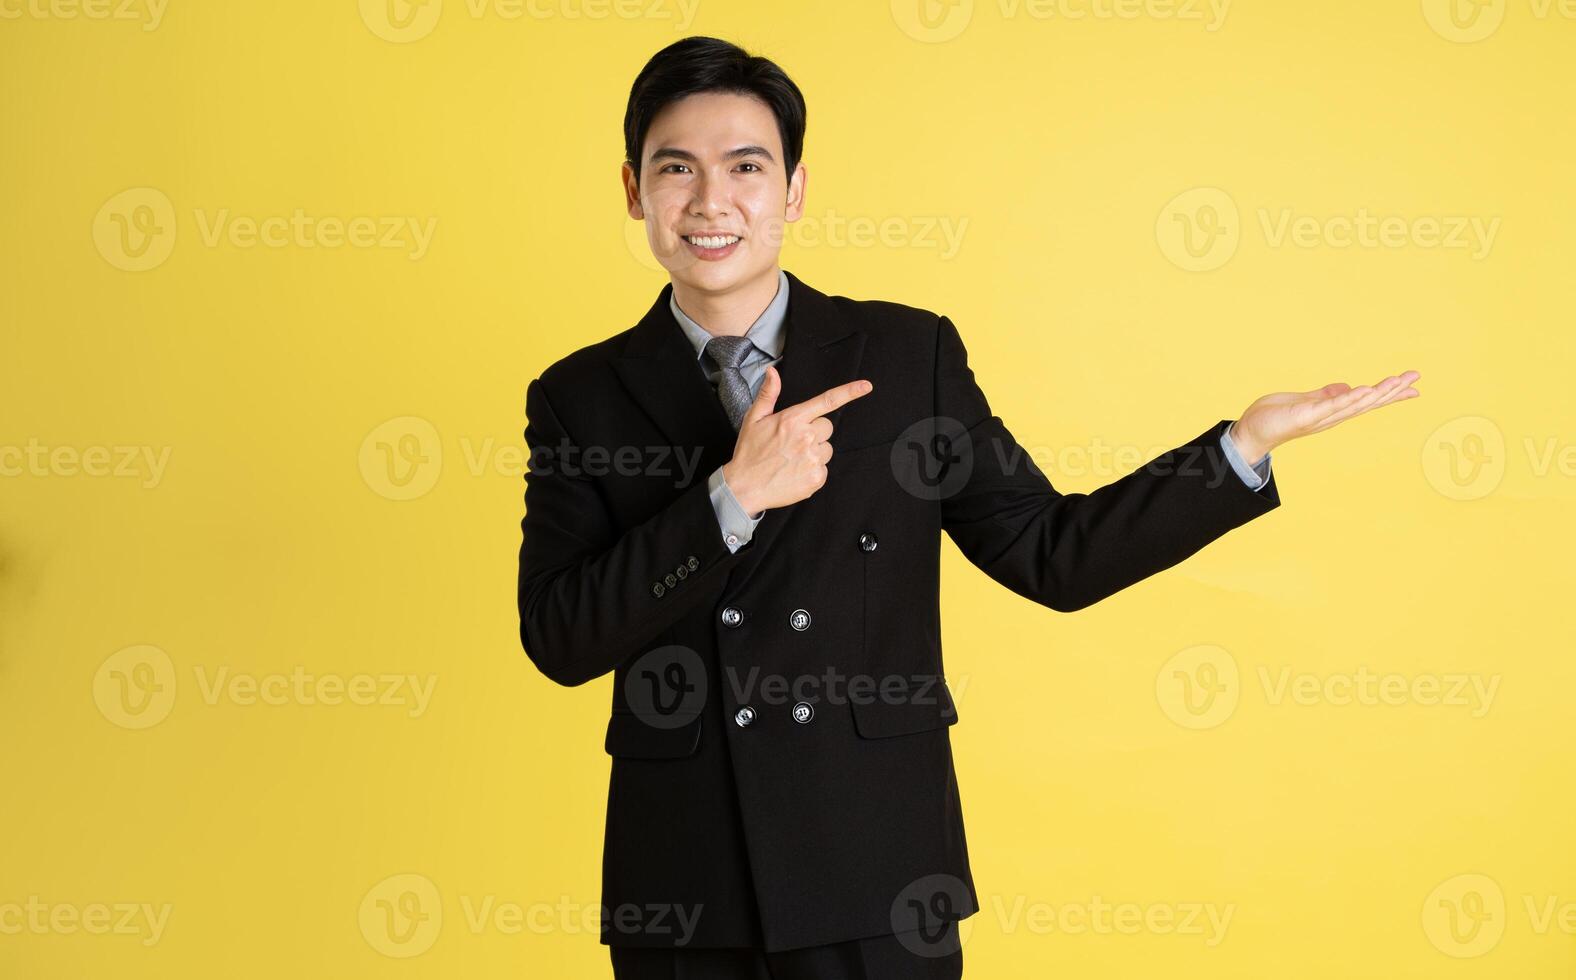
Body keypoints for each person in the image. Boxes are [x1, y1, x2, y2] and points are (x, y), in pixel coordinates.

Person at [517, 35, 1420, 980]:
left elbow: (1050, 553)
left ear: (792, 191)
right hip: (688, 885)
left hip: (880, 870)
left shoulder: (908, 356)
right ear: (635, 192)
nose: (711, 202)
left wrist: (1240, 448)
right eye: (677, 170)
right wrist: (729, 498)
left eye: (746, 167)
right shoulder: (579, 395)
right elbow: (560, 637)